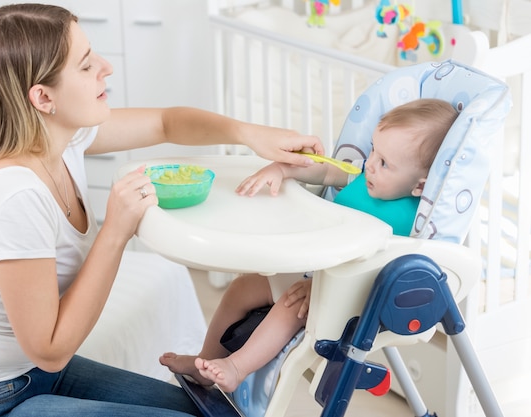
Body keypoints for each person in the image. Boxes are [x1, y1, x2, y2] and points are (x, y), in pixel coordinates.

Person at [0, 4, 324, 417]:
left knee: (213, 411)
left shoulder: (63, 141)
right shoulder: (13, 196)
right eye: (87, 65)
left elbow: (166, 123)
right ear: (43, 97)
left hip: (31, 375)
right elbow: (51, 351)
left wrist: (250, 134)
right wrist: (116, 229)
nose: (105, 68)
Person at [160, 98, 459, 393]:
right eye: (372, 151)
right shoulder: (361, 173)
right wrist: (282, 170)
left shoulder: (413, 218)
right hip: (313, 271)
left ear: (419, 185)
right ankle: (206, 362)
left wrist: (322, 286)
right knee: (242, 287)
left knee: (290, 307)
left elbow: (382, 269)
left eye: (384, 163)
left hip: (348, 294)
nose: (370, 165)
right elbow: (325, 171)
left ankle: (236, 368)